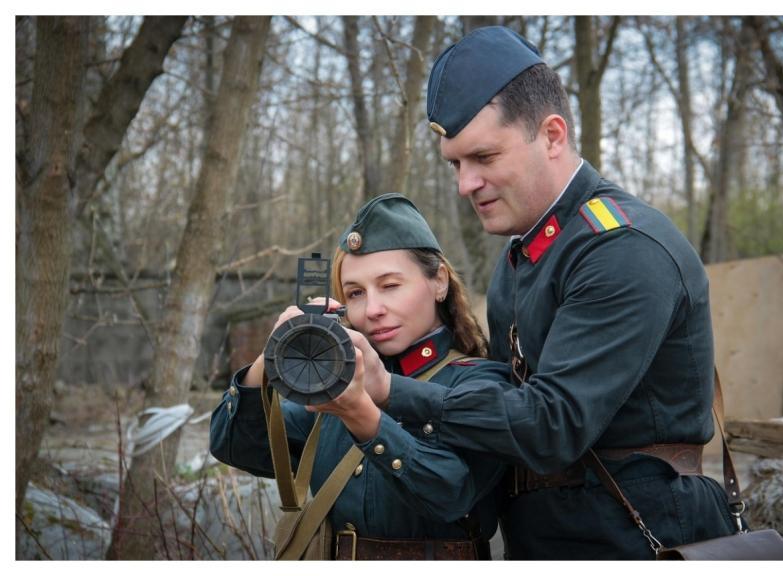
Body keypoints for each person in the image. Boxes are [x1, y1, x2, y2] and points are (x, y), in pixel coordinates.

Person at [344, 26, 740, 559]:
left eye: (484, 157)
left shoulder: (621, 247)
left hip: (636, 535)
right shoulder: (525, 254)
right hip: (551, 535)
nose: (464, 184)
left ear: (553, 136)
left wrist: (391, 391)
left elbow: (553, 425)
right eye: (456, 164)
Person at [209, 193, 512, 560]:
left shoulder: (482, 383)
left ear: (439, 282)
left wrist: (361, 416)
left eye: (390, 285)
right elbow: (235, 446)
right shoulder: (340, 387)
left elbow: (451, 494)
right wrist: (272, 356)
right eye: (355, 293)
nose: (372, 309)